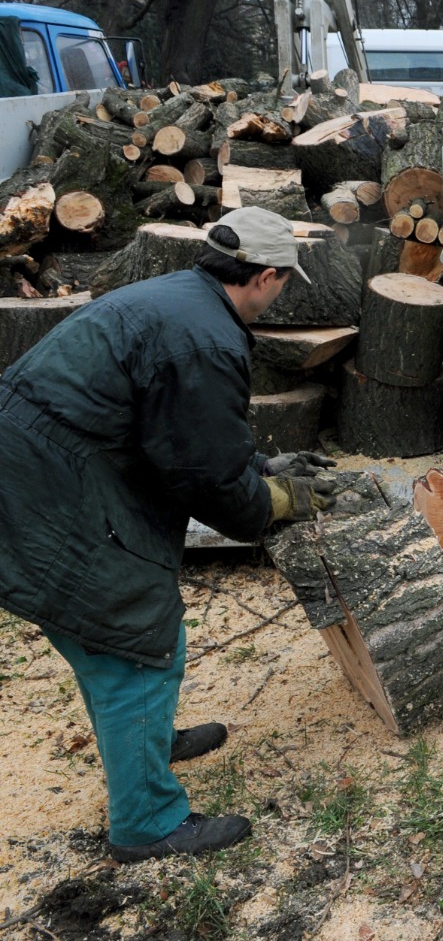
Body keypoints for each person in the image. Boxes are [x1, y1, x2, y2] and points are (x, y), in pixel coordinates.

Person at [0, 207, 336, 863]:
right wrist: (272, 499)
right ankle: (148, 821)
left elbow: (182, 433)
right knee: (131, 639)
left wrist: (260, 469)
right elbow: (206, 475)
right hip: (46, 485)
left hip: (50, 463)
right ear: (266, 276)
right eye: (284, 283)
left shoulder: (181, 301)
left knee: (130, 642)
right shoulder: (207, 336)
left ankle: (146, 738)